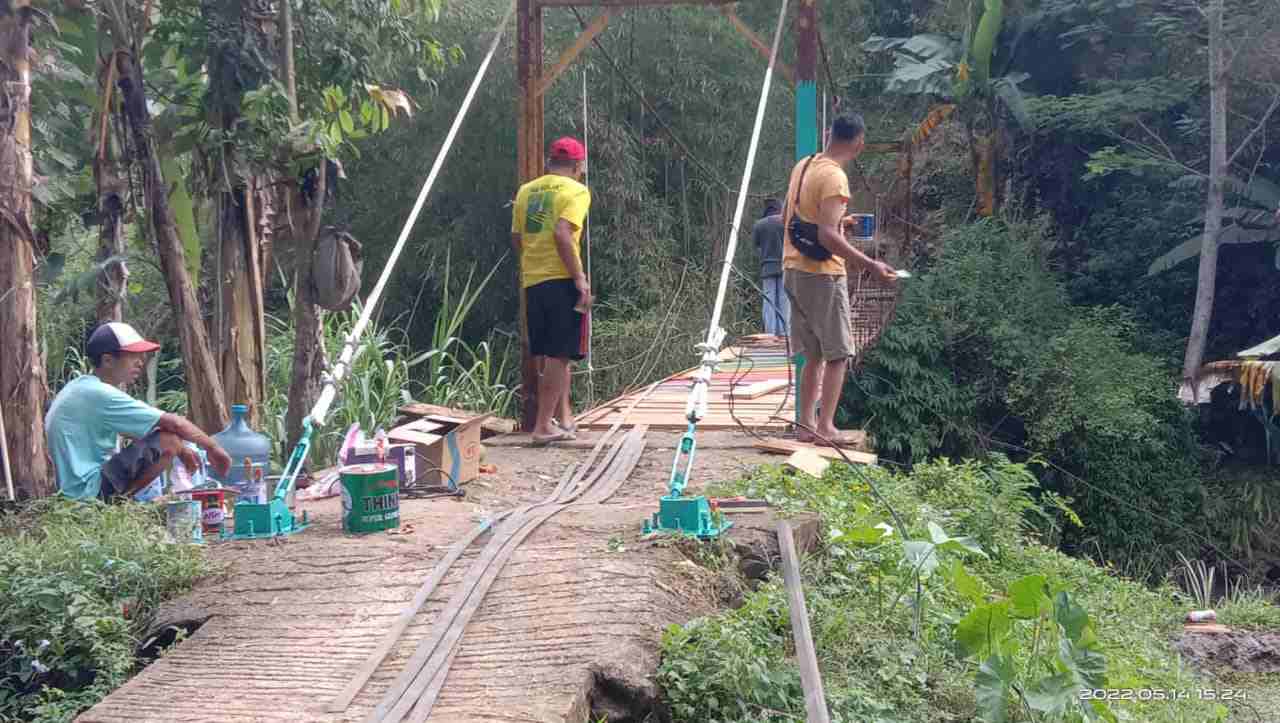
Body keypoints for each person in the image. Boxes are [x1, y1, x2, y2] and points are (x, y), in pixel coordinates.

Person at [782, 113, 899, 447]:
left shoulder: (805, 165)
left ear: (830, 134)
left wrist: (838, 222)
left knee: (814, 354)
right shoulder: (835, 178)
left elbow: (801, 217)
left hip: (793, 268)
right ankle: (827, 427)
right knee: (839, 354)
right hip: (821, 275)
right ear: (859, 143)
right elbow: (827, 235)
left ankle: (806, 424)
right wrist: (870, 264)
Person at [45, 322, 232, 500]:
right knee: (169, 439)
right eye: (133, 356)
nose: (141, 362)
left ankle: (122, 501)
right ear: (108, 360)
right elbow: (173, 423)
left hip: (77, 488)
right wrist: (213, 448)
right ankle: (119, 504)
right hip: (88, 491)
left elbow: (140, 431)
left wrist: (183, 450)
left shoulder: (82, 387)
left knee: (170, 441)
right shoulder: (99, 393)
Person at [511, 137, 592, 446]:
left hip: (533, 280)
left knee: (551, 353)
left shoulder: (526, 191)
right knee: (560, 353)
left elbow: (517, 237)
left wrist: (534, 261)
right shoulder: (576, 190)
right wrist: (580, 279)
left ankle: (564, 417)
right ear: (577, 166)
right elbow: (562, 233)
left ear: (549, 163)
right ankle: (543, 425)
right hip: (562, 278)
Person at [753, 199, 789, 336]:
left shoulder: (759, 225)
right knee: (784, 301)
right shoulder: (785, 222)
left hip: (767, 268)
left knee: (769, 301)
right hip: (784, 267)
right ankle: (784, 334)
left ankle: (770, 334)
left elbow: (757, 246)